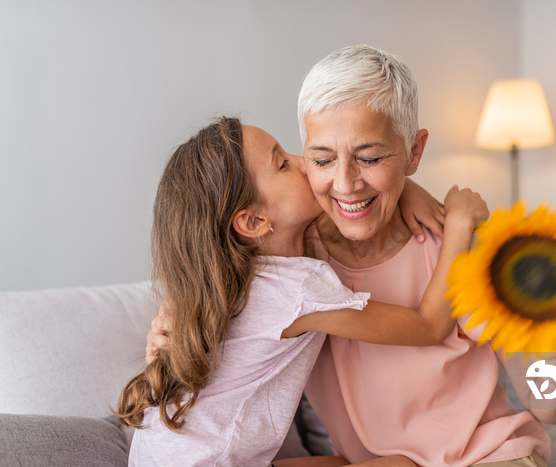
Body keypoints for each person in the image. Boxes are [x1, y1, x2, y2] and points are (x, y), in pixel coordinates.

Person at [148, 45, 556, 466]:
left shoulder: (457, 251)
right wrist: (172, 312)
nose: (344, 183)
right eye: (321, 159)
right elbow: (209, 256)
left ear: (414, 153)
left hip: (488, 457)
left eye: (371, 157)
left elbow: (549, 404)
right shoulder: (295, 258)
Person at [119, 116, 488, 467]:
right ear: (253, 221)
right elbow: (428, 326)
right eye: (282, 164)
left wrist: (406, 190)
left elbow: (355, 199)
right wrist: (458, 226)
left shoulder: (227, 276)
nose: (305, 162)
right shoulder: (295, 289)